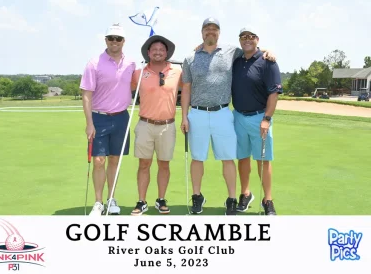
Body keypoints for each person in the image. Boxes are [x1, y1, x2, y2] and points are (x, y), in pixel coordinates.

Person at [180, 17, 275, 215]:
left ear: (219, 33)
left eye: (214, 29)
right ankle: (197, 197)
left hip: (223, 113)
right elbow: (186, 89)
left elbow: (252, 49)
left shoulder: (232, 51)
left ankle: (232, 198)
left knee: (228, 158)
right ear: (202, 32)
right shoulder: (190, 58)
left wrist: (268, 51)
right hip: (197, 113)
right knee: (197, 158)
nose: (210, 32)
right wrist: (184, 116)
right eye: (207, 29)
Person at [79, 23, 136, 216]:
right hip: (99, 117)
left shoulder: (131, 63)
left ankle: (111, 199)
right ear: (106, 40)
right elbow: (86, 95)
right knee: (99, 161)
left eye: (118, 39)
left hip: (121, 118)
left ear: (123, 41)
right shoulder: (94, 63)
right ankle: (98, 202)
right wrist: (89, 123)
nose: (114, 42)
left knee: (114, 160)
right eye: (111, 38)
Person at [231, 27, 282, 215]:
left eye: (251, 37)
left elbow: (274, 93)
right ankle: (245, 193)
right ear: (239, 40)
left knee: (263, 159)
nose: (247, 40)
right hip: (238, 117)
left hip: (260, 117)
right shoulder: (235, 61)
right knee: (242, 158)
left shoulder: (268, 62)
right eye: (243, 37)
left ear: (257, 40)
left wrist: (267, 119)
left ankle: (267, 199)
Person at [130, 35, 182, 216]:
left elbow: (190, 86)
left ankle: (161, 199)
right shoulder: (138, 73)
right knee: (144, 164)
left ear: (167, 52)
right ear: (148, 53)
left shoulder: (177, 72)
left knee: (164, 164)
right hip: (145, 124)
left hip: (167, 126)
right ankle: (141, 201)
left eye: (161, 49)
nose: (158, 52)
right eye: (154, 49)